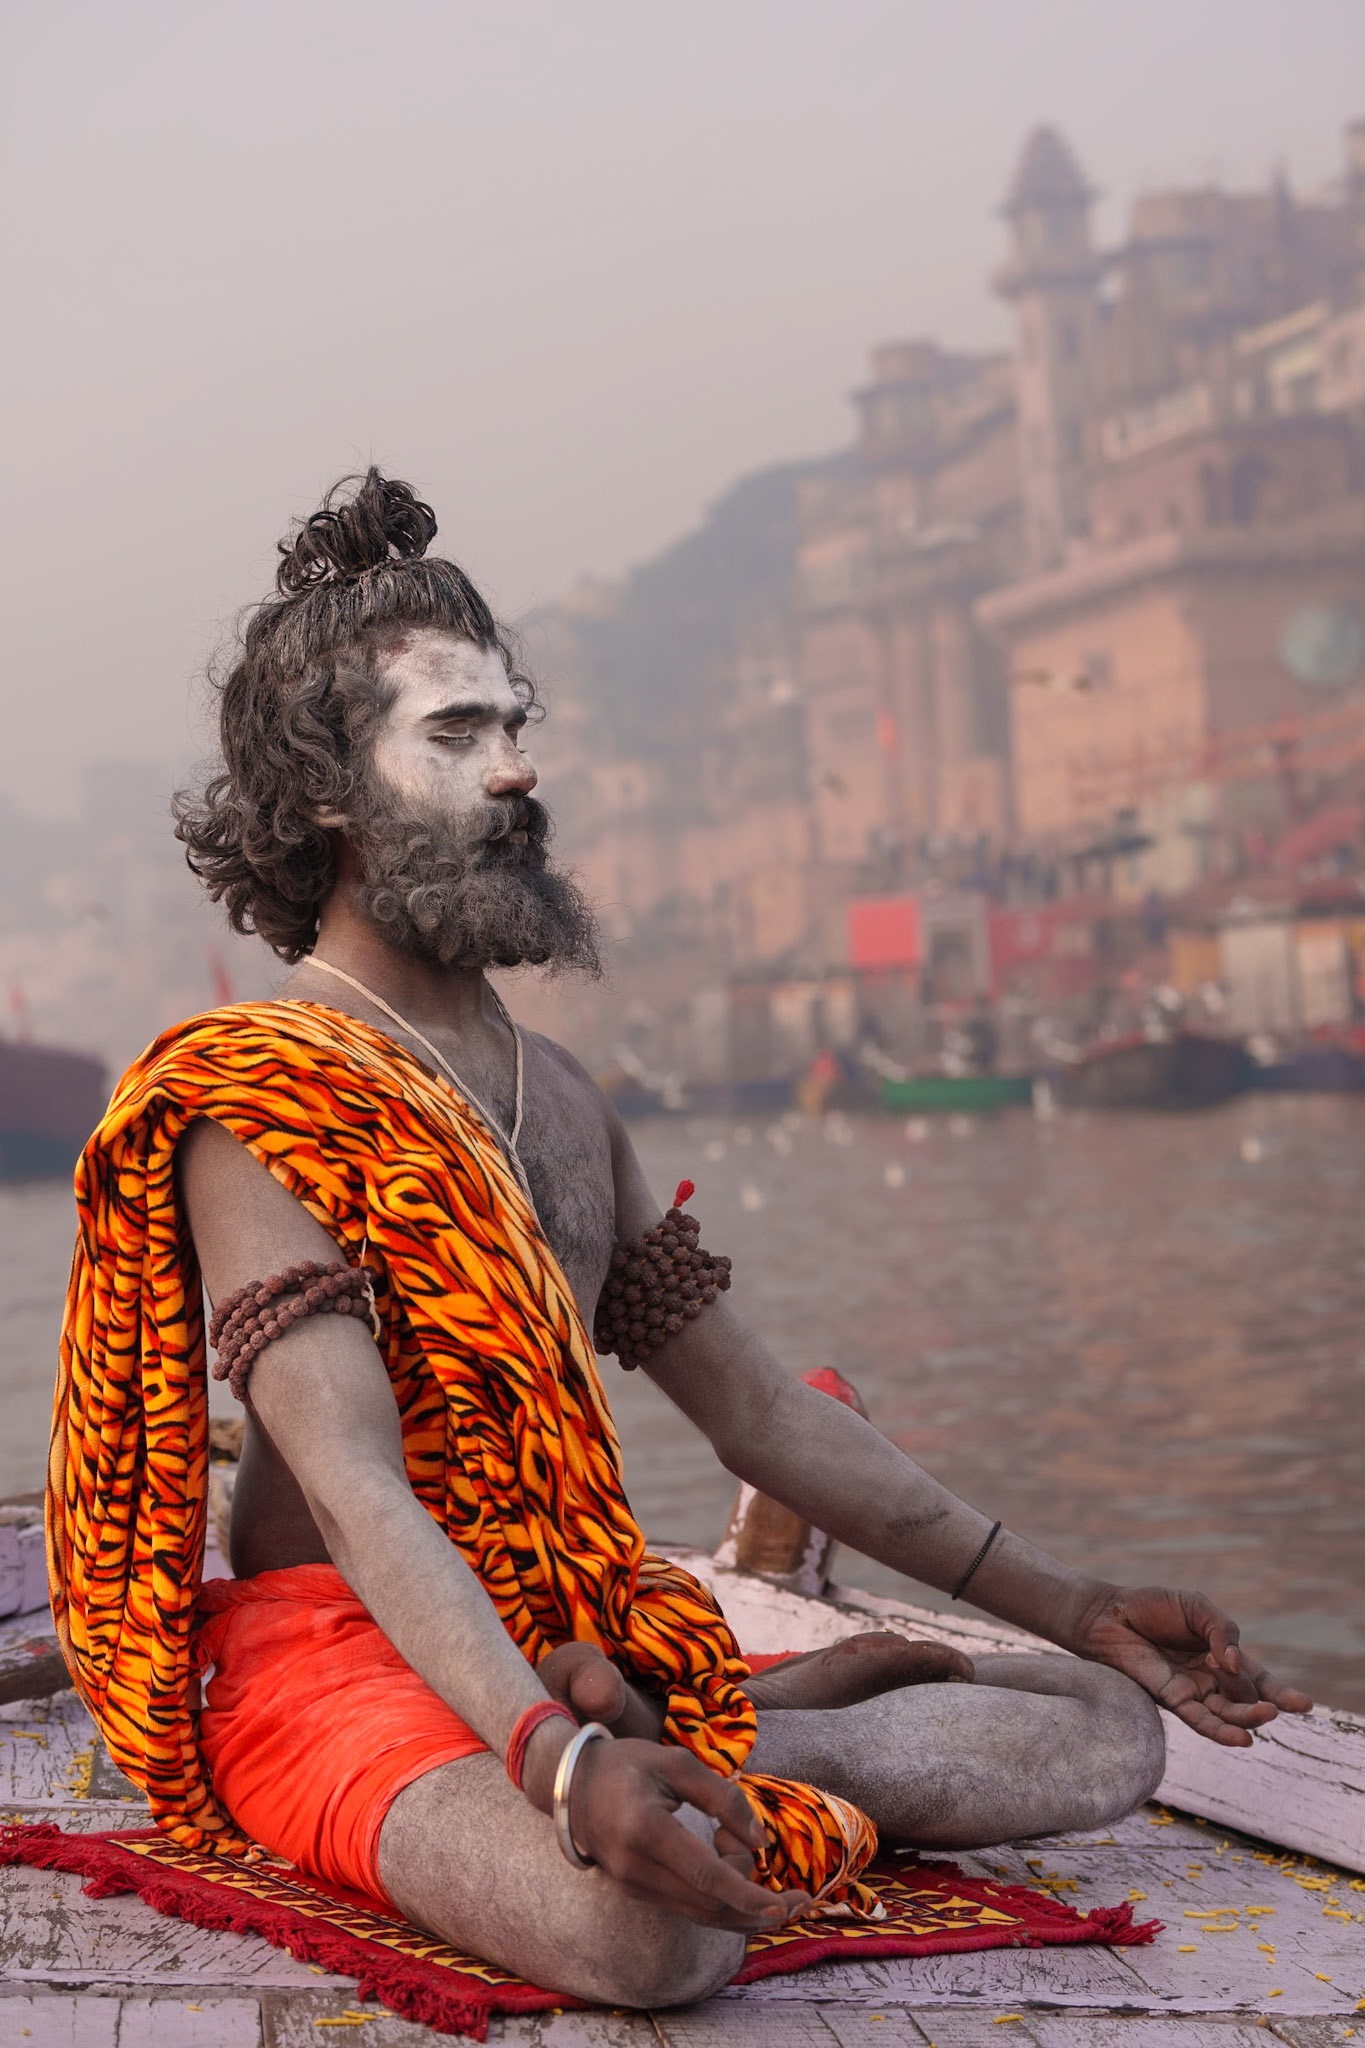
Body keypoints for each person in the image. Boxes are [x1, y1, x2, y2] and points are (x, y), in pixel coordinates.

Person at [50, 471, 1312, 2014]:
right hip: (341, 1660)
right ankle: (706, 1753)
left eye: (516, 726)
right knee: (647, 1941)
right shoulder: (257, 1093)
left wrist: (1070, 1603)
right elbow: (355, 1481)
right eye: (455, 735)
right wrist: (557, 1762)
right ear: (327, 792)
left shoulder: (565, 1100)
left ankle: (742, 1737)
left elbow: (761, 1411)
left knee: (1104, 1733)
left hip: (565, 1640)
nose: (516, 771)